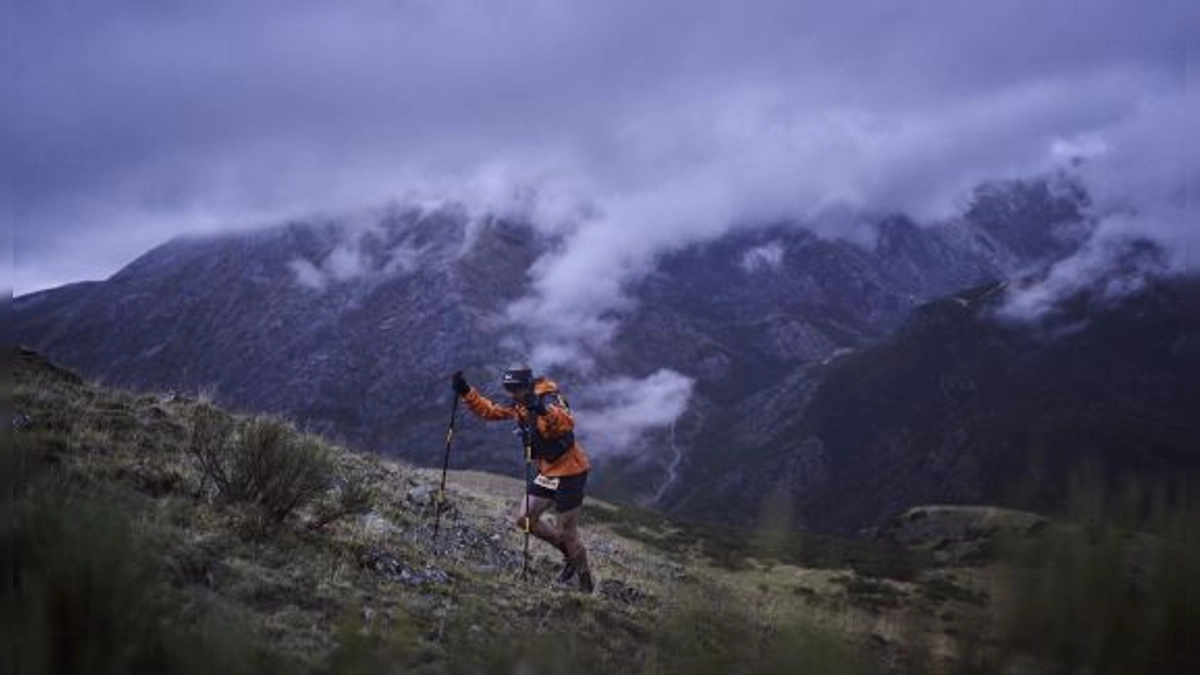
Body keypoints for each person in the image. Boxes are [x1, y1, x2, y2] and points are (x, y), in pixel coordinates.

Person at [452, 364, 594, 593]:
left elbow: (566, 422)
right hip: (548, 471)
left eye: (516, 389)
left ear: (528, 385)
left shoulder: (549, 398)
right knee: (524, 519)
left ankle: (586, 584)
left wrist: (540, 409)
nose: (512, 394)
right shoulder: (518, 403)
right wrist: (466, 392)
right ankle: (569, 556)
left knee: (568, 531)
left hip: (571, 472)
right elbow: (491, 411)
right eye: (509, 389)